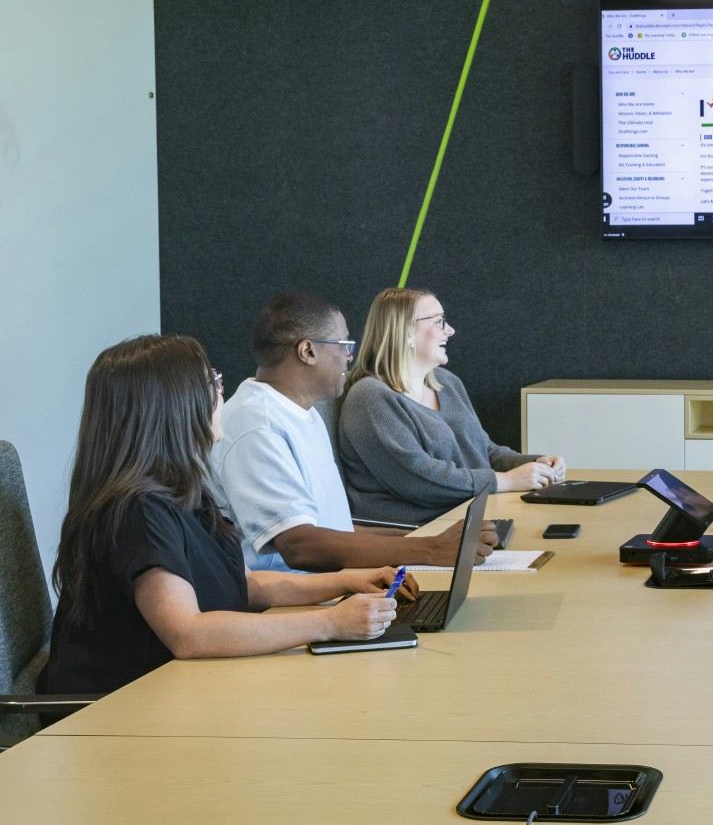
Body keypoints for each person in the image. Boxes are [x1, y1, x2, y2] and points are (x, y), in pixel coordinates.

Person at [42, 335, 410, 696]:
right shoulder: (137, 511)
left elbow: (247, 586)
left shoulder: (184, 491)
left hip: (181, 694)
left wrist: (349, 582)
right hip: (115, 717)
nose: (221, 391)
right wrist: (329, 622)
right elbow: (187, 633)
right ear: (173, 405)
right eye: (212, 382)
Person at [212, 293, 499, 571]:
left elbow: (338, 530)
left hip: (331, 585)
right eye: (344, 345)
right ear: (308, 351)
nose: (350, 357)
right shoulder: (258, 425)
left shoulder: (303, 412)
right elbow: (300, 546)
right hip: (288, 604)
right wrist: (430, 549)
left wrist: (433, 539)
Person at [339, 287, 566, 525]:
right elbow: (418, 481)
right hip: (417, 534)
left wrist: (533, 465)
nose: (450, 330)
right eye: (439, 322)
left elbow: (483, 450)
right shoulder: (370, 398)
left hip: (470, 517)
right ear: (405, 331)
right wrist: (506, 481)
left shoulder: (446, 382)